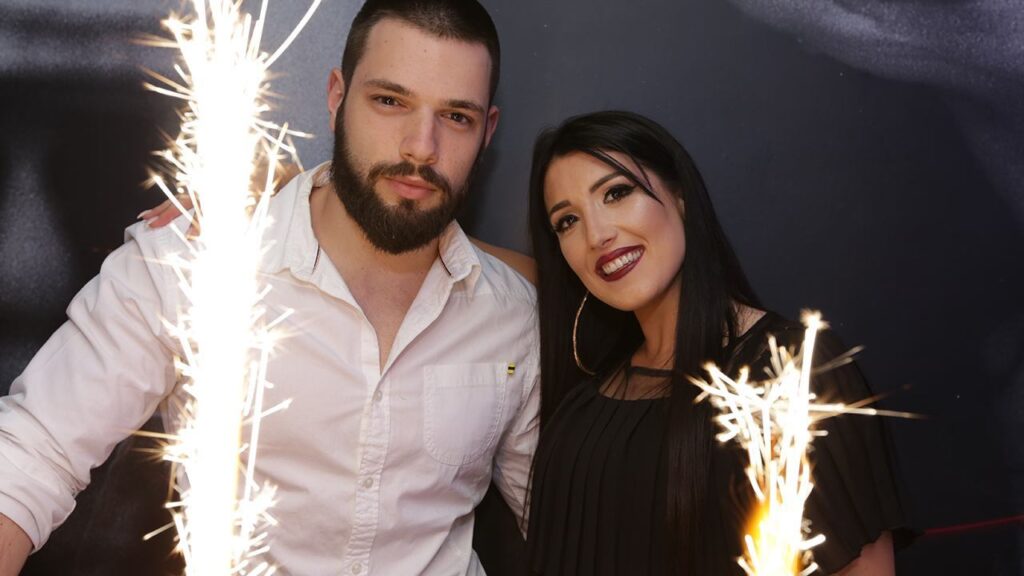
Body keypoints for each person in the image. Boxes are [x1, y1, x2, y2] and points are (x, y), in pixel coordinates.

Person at [0, 1, 540, 574]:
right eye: (390, 101)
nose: (421, 146)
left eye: (455, 116)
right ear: (337, 97)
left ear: (487, 131)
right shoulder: (195, 259)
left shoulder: (510, 314)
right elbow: (32, 457)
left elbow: (562, 517)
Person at [524, 110, 912, 575]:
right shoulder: (583, 401)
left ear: (681, 196)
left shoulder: (791, 374)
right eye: (567, 221)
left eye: (617, 193)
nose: (597, 235)